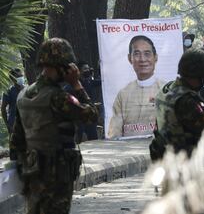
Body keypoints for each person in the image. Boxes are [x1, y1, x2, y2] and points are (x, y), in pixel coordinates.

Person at [9, 38, 98, 214]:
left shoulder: (23, 94)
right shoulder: (58, 97)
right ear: (60, 67)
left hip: (32, 172)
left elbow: (16, 139)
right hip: (56, 173)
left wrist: (18, 170)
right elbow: (91, 115)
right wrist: (77, 85)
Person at [149, 48, 204, 161]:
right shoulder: (187, 101)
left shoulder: (167, 89)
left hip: (163, 161)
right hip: (182, 166)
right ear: (201, 77)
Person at [108, 35, 165, 138]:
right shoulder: (123, 95)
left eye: (147, 54)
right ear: (130, 59)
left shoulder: (166, 91)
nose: (142, 59)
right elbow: (114, 134)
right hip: (129, 152)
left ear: (155, 57)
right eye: (137, 54)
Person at [1, 68, 24, 134]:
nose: (21, 78)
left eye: (21, 76)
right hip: (14, 125)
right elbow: (3, 109)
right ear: (12, 78)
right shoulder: (8, 91)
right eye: (18, 76)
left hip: (27, 124)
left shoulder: (27, 89)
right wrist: (8, 125)